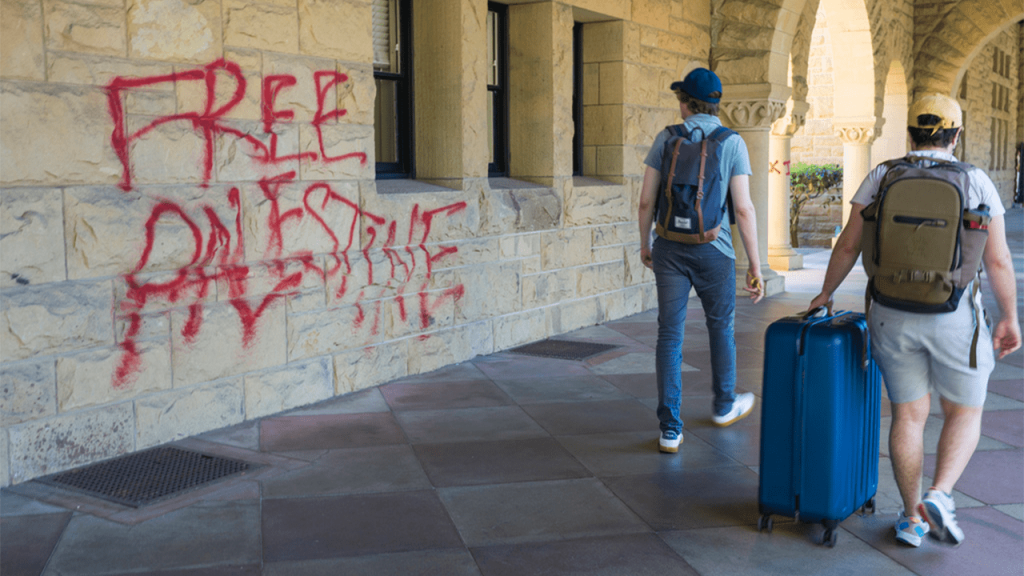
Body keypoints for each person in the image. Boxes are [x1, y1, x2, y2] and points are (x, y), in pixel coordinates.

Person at [808, 93, 1021, 547]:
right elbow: (998, 260)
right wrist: (1009, 317)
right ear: (955, 135)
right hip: (953, 314)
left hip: (889, 313)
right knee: (964, 410)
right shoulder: (975, 180)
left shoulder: (882, 175)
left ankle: (910, 520)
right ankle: (939, 495)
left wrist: (825, 293)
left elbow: (849, 244)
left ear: (910, 133)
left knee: (907, 414)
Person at [638, 68, 764, 454]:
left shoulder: (667, 137)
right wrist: (755, 266)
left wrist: (645, 243)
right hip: (715, 249)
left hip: (669, 247)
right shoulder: (732, 142)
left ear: (685, 103)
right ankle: (724, 405)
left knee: (669, 334)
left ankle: (670, 429)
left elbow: (645, 200)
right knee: (720, 327)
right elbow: (743, 209)